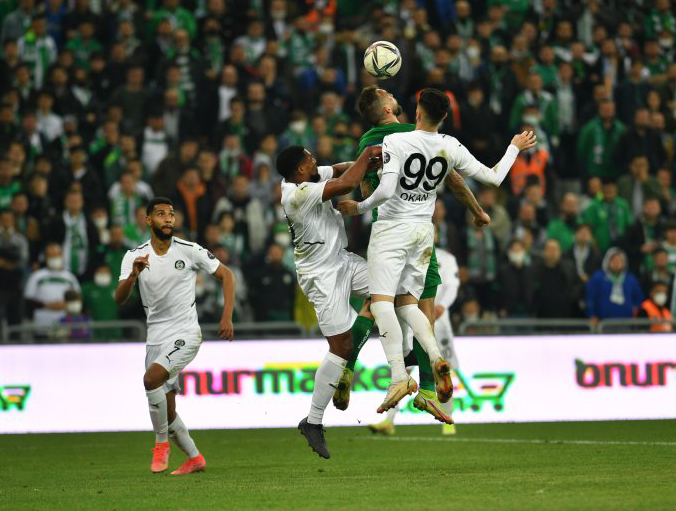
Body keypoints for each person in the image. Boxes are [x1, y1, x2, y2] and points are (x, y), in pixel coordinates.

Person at [339, 88, 536, 414]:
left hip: (391, 228)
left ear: (417, 113)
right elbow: (491, 178)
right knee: (413, 306)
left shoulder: (392, 141)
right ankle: (434, 362)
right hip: (423, 232)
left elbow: (378, 188)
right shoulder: (450, 145)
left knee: (379, 303)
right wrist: (514, 147)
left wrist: (358, 207)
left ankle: (395, 376)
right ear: (444, 116)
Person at [114, 197, 235, 475]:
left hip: (186, 333)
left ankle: (160, 445)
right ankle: (194, 458)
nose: (168, 218)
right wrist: (133, 277)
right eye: (160, 214)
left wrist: (226, 316)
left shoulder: (189, 250)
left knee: (150, 380)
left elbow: (227, 275)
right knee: (166, 412)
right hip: (155, 338)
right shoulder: (134, 256)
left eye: (171, 214)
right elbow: (119, 299)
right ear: (148, 220)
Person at [275, 144, 380, 459]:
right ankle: (313, 421)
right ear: (300, 170)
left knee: (387, 290)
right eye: (310, 159)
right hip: (320, 276)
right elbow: (347, 183)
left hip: (341, 260)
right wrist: (368, 154)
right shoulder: (297, 194)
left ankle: (402, 355)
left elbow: (339, 169)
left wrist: (370, 162)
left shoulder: (305, 177)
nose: (315, 161)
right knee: (341, 347)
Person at [23, 243, 80, 330]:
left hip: (66, 325)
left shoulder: (70, 277)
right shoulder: (36, 276)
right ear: (46, 258)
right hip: (42, 324)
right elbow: (28, 300)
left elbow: (78, 299)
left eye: (57, 255)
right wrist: (47, 305)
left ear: (62, 256)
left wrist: (66, 305)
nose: (54, 258)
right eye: (51, 256)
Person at [586, 248, 644, 330]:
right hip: (603, 322)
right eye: (613, 261)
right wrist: (592, 315)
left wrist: (636, 309)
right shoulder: (598, 277)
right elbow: (590, 298)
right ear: (607, 262)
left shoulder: (630, 278)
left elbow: (639, 296)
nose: (616, 264)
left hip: (627, 322)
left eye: (619, 261)